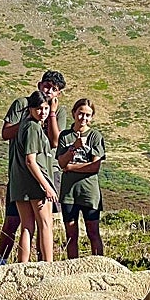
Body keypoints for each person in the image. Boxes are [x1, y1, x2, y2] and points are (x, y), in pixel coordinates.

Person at [0, 70, 67, 264]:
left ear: (58, 93)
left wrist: (50, 113)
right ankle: (5, 261)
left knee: (30, 224)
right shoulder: (23, 107)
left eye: (54, 89)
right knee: (20, 222)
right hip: (28, 171)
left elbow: (55, 141)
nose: (49, 91)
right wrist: (30, 119)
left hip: (46, 168)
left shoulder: (58, 111)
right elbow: (5, 133)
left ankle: (31, 263)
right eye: (47, 86)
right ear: (39, 84)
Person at [9, 91, 58, 263]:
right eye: (39, 108)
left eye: (46, 108)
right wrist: (47, 186)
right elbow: (31, 161)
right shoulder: (33, 127)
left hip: (20, 183)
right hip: (34, 184)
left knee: (27, 227)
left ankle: (22, 266)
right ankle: (48, 265)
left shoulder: (24, 125)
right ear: (30, 109)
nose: (43, 112)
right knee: (45, 224)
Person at [56, 98, 106, 257]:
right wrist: (73, 149)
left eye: (87, 115)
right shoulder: (65, 136)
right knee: (71, 235)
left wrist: (71, 167)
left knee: (93, 233)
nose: (83, 118)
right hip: (69, 194)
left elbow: (94, 167)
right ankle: (73, 267)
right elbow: (62, 162)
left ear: (92, 117)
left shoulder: (95, 136)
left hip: (89, 193)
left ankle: (99, 266)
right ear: (73, 114)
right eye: (80, 114)